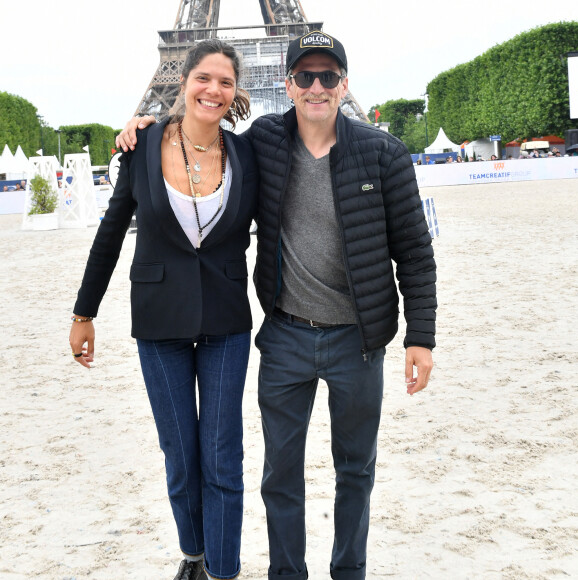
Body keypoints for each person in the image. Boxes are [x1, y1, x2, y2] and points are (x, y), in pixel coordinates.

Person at [118, 29, 436, 580]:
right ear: (287, 84)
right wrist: (144, 127)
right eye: (305, 76)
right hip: (285, 336)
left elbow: (413, 252)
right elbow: (196, 133)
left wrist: (420, 337)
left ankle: (348, 572)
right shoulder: (262, 142)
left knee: (355, 471)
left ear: (343, 84)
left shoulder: (384, 154)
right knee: (279, 475)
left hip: (359, 341)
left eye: (328, 76)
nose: (317, 86)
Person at [70, 39, 258, 580]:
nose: (213, 90)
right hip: (158, 319)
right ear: (183, 82)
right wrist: (85, 313)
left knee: (222, 455)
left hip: (225, 319)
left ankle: (224, 570)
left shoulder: (246, 153)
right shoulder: (142, 146)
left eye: (225, 82)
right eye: (204, 78)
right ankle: (194, 553)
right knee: (180, 453)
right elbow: (109, 234)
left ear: (235, 91)